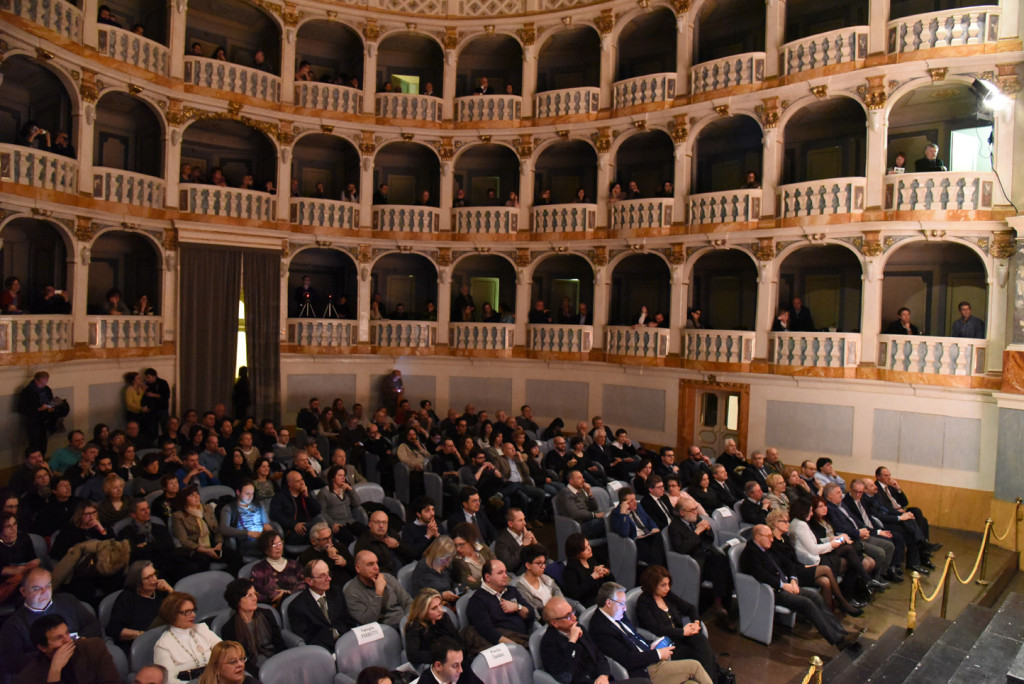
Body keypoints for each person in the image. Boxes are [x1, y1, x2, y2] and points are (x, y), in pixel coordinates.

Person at [740, 525, 859, 650]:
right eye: (768, 536)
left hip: (787, 585)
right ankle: (838, 640)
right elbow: (762, 575)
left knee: (816, 597)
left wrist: (793, 580)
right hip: (772, 591)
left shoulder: (769, 547)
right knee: (806, 603)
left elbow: (788, 563)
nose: (771, 539)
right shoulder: (750, 553)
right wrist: (783, 585)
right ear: (758, 537)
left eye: (771, 535)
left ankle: (841, 631)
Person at [589, 582, 713, 684]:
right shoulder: (600, 628)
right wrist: (657, 654)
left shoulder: (617, 613)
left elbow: (634, 637)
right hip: (645, 669)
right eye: (621, 604)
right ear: (609, 603)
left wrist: (653, 644)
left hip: (650, 656)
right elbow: (627, 659)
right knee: (694, 666)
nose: (625, 608)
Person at [635, 566, 720, 680]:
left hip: (681, 636)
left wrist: (696, 623)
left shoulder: (667, 595)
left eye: (669, 584)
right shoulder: (643, 603)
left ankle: (709, 681)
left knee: (701, 641)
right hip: (668, 643)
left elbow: (690, 608)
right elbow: (655, 628)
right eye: (663, 585)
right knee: (703, 655)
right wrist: (682, 631)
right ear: (652, 585)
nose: (668, 588)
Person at [540, 595, 643, 684]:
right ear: (555, 623)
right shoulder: (548, 644)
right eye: (568, 616)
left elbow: (599, 655)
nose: (574, 618)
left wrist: (603, 674)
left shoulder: (579, 628)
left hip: (600, 680)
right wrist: (572, 642)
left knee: (643, 682)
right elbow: (565, 677)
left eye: (572, 612)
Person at [14, 614, 121, 684]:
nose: (68, 640)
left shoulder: (94, 648)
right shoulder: (28, 677)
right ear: (42, 648)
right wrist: (55, 672)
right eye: (58, 638)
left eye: (67, 633)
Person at [221, 579, 286, 677]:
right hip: (253, 669)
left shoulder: (267, 614)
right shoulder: (229, 629)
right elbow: (240, 660)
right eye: (249, 595)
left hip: (276, 659)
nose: (255, 598)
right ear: (237, 600)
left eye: (255, 594)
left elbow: (279, 643)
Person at [288, 559, 358, 649]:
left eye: (328, 574)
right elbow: (307, 639)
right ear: (309, 581)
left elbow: (348, 620)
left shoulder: (336, 592)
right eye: (322, 576)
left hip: (346, 642)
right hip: (322, 650)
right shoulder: (297, 607)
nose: (329, 578)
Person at [153, 592, 222, 681]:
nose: (193, 615)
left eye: (192, 610)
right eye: (186, 612)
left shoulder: (202, 629)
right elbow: (168, 680)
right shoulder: (163, 645)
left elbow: (225, 653)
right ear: (172, 615)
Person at [107, 561, 173, 652]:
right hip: (141, 646)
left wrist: (170, 590)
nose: (154, 579)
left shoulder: (161, 591)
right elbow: (115, 630)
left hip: (167, 640)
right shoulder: (126, 598)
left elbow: (184, 608)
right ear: (137, 582)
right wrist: (142, 635)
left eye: (154, 574)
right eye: (148, 578)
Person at [466, 559, 533, 647]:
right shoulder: (477, 600)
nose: (505, 576)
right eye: (500, 573)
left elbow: (531, 614)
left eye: (505, 572)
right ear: (487, 577)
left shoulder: (511, 590)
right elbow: (488, 632)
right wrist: (516, 647)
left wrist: (517, 607)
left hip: (524, 638)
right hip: (505, 645)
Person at [343, 550, 411, 628]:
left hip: (405, 622)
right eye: (370, 564)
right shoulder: (351, 592)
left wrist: (408, 621)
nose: (376, 568)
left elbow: (408, 602)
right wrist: (378, 594)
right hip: (383, 630)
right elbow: (367, 621)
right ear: (358, 568)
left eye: (376, 563)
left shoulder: (387, 578)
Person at [609, 487, 665, 567]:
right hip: (636, 541)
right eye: (631, 501)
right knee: (654, 553)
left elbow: (648, 519)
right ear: (624, 503)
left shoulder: (638, 506)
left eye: (635, 499)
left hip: (648, 535)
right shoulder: (617, 514)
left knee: (662, 540)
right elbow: (624, 533)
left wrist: (654, 528)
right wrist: (623, 513)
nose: (635, 502)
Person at [251, 530, 304, 605]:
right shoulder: (259, 569)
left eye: (280, 543)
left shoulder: (294, 564)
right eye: (274, 545)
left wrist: (288, 593)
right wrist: (274, 596)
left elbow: (305, 583)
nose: (278, 548)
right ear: (265, 549)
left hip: (298, 602)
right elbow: (257, 594)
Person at [19, 371, 65, 453]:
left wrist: (51, 407)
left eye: (46, 382)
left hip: (45, 421)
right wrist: (39, 409)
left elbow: (50, 401)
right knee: (35, 445)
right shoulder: (27, 391)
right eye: (41, 383)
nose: (43, 385)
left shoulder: (46, 389)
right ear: (36, 380)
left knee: (43, 445)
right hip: (34, 423)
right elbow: (21, 409)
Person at [512, 543, 564, 616]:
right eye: (539, 563)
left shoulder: (547, 579)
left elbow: (561, 599)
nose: (543, 566)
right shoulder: (521, 588)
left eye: (544, 563)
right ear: (528, 565)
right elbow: (535, 615)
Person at [562, 532, 612, 606]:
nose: (589, 549)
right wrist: (592, 577)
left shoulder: (591, 560)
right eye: (585, 548)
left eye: (588, 544)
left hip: (601, 594)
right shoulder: (570, 570)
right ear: (576, 552)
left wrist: (606, 572)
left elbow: (610, 581)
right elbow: (575, 594)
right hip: (589, 603)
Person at [451, 522, 495, 590]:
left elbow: (498, 568)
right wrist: (492, 578)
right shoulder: (457, 562)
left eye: (461, 544)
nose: (458, 549)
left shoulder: (483, 548)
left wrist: (477, 581)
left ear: (470, 541)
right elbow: (470, 585)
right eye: (455, 545)